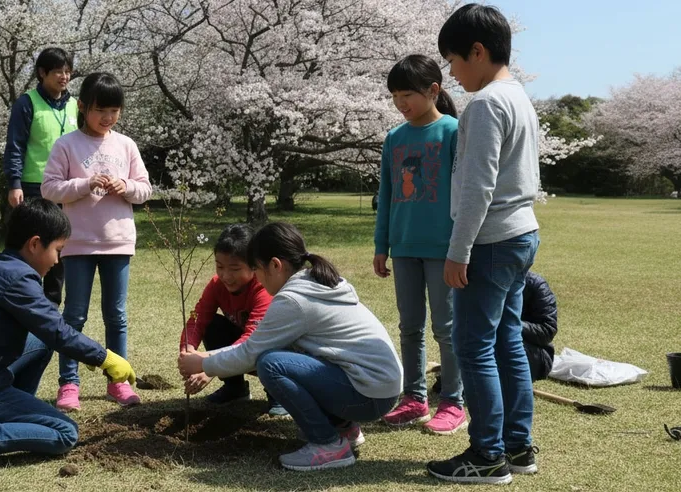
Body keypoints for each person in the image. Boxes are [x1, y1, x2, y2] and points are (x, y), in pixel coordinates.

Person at [0, 199, 136, 483]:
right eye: (57, 250)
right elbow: (58, 330)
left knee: (40, 342)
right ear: (35, 244)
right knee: (64, 433)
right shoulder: (18, 278)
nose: (57, 261)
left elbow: (48, 334)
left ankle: (11, 417)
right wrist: (104, 357)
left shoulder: (3, 265)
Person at [178, 222, 403, 472]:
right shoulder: (312, 280)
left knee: (271, 363)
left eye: (257, 269)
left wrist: (203, 364)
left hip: (369, 394)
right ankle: (343, 428)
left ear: (275, 265)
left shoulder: (293, 300)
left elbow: (251, 352)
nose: (258, 280)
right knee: (291, 355)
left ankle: (328, 444)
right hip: (378, 387)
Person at [426, 4, 542, 485]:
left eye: (453, 61)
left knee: (474, 347)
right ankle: (518, 446)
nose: (451, 73)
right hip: (520, 235)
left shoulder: (488, 103)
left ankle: (487, 454)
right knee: (506, 342)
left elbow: (478, 187)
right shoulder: (519, 96)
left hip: (490, 241)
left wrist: (458, 250)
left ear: (478, 51)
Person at [41, 72, 152, 411]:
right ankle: (69, 384)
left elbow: (145, 189)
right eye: (101, 109)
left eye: (115, 111)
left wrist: (126, 187)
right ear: (83, 107)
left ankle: (118, 382)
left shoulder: (126, 145)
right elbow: (49, 189)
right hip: (78, 244)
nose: (108, 118)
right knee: (74, 316)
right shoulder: (67, 145)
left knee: (115, 316)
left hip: (118, 243)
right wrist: (84, 184)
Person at [373, 54, 464, 435]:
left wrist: (462, 247)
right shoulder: (394, 138)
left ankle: (453, 401)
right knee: (410, 326)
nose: (401, 103)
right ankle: (414, 399)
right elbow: (387, 194)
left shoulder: (454, 132)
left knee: (447, 327)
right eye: (395, 95)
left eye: (407, 94)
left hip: (444, 248)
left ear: (433, 90)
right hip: (405, 247)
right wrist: (382, 245)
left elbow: (466, 194)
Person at [178, 224, 284, 415]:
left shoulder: (263, 290)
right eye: (219, 266)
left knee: (269, 351)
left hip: (268, 348)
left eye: (234, 268)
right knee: (212, 325)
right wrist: (188, 349)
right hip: (241, 350)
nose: (226, 276)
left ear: (254, 266)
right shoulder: (217, 285)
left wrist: (209, 368)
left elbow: (253, 341)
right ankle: (235, 389)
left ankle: (278, 394)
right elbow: (197, 318)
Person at [2, 47, 78, 309]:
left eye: (68, 71)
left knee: (58, 251)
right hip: (33, 188)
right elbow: (15, 146)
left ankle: (50, 309)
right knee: (31, 249)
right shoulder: (27, 102)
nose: (64, 77)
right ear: (42, 73)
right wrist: (14, 183)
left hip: (65, 189)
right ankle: (24, 305)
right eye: (58, 71)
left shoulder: (74, 105)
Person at [521, 272, 557, 382]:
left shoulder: (536, 284)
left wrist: (513, 325)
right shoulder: (484, 282)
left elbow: (548, 330)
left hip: (536, 352)